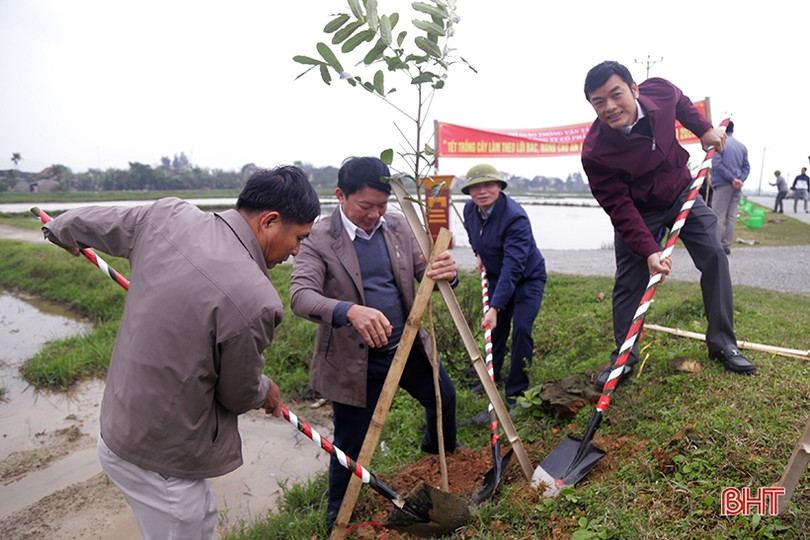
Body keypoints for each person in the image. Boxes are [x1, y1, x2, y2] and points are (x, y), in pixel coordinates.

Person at [41, 166, 320, 539]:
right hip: (160, 460)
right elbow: (237, 394)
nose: (297, 251)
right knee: (187, 524)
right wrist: (264, 389)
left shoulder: (168, 215)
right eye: (299, 238)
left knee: (196, 520)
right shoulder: (257, 299)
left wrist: (61, 231)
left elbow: (92, 221)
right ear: (269, 221)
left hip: (117, 428)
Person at [289, 156, 461, 529]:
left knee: (444, 398)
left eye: (382, 205)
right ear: (340, 196)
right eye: (366, 206)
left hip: (407, 347)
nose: (374, 214)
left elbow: (426, 272)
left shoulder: (398, 227)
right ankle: (339, 512)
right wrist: (350, 311)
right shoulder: (319, 239)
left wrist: (447, 272)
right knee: (350, 442)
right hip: (355, 360)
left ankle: (443, 459)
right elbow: (301, 297)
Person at [580, 60, 756, 391]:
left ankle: (723, 344)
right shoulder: (595, 152)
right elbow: (618, 207)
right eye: (598, 102)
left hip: (680, 191)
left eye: (616, 95)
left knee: (715, 255)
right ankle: (624, 358)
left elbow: (681, 102)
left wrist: (703, 129)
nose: (610, 107)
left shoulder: (659, 91)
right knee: (631, 279)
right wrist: (649, 250)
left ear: (634, 89)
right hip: (639, 210)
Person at [460, 163, 547, 407]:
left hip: (527, 278)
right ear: (469, 192)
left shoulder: (515, 217)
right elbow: (473, 235)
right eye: (475, 187)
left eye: (488, 185)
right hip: (496, 276)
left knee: (521, 328)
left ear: (499, 186)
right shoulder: (470, 210)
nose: (482, 191)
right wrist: (479, 254)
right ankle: (492, 377)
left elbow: (513, 266)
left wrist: (495, 307)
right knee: (495, 331)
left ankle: (516, 391)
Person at [710, 120, 750, 254]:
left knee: (718, 214)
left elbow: (717, 164)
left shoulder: (720, 144)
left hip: (723, 183)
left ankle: (715, 244)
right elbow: (746, 167)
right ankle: (726, 244)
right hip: (737, 185)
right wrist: (740, 179)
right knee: (732, 215)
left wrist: (731, 179)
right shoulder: (742, 147)